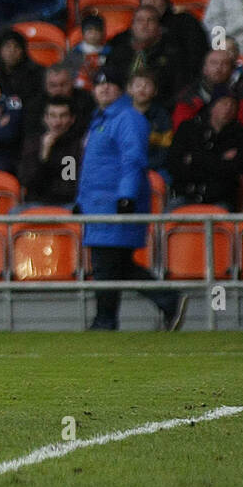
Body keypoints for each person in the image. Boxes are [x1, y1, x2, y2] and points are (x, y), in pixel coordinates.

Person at [76, 67, 186, 332]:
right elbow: (94, 169)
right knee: (117, 265)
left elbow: (133, 160)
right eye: (99, 85)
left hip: (114, 205)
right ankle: (168, 301)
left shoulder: (127, 118)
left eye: (110, 85)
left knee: (106, 266)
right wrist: (82, 201)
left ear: (120, 90)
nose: (104, 89)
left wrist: (126, 196)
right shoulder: (101, 120)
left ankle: (105, 321)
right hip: (100, 205)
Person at [167, 87, 243, 209]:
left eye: (233, 104)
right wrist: (219, 160)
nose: (228, 108)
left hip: (219, 200)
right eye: (223, 103)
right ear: (212, 106)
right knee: (167, 218)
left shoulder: (242, 136)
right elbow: (174, 164)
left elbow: (233, 172)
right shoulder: (188, 128)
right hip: (186, 195)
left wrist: (195, 158)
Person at [17, 97, 80, 205]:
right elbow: (27, 181)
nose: (57, 122)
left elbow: (70, 188)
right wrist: (43, 155)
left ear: (72, 119)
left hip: (65, 205)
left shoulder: (76, 146)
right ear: (45, 118)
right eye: (53, 116)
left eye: (63, 116)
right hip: (36, 203)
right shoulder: (33, 144)